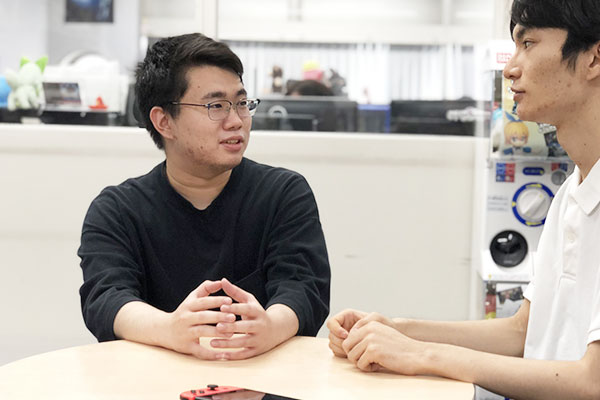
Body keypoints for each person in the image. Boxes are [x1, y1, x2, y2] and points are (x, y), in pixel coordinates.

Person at [327, 0, 600, 398]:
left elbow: (592, 380)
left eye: (528, 43)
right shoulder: (571, 192)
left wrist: (423, 355)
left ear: (594, 58)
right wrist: (397, 331)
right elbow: (522, 331)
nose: (510, 68)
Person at [78, 33, 330, 361]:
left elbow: (304, 287)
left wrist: (271, 326)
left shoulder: (283, 193)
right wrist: (169, 329)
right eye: (216, 106)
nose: (236, 121)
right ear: (164, 121)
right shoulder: (117, 210)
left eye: (241, 103)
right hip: (153, 378)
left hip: (262, 376)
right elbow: (105, 297)